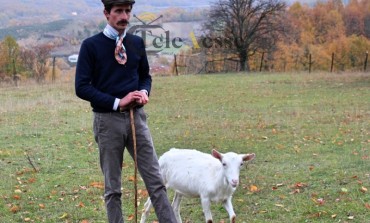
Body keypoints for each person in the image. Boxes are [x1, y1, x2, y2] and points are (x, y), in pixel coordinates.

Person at [75, 0, 177, 222]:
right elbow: (81, 87)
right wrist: (117, 102)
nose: (124, 16)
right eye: (118, 11)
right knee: (113, 188)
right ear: (106, 13)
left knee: (156, 181)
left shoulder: (136, 43)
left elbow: (145, 76)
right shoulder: (91, 46)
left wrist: (144, 91)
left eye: (128, 11)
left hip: (137, 119)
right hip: (107, 121)